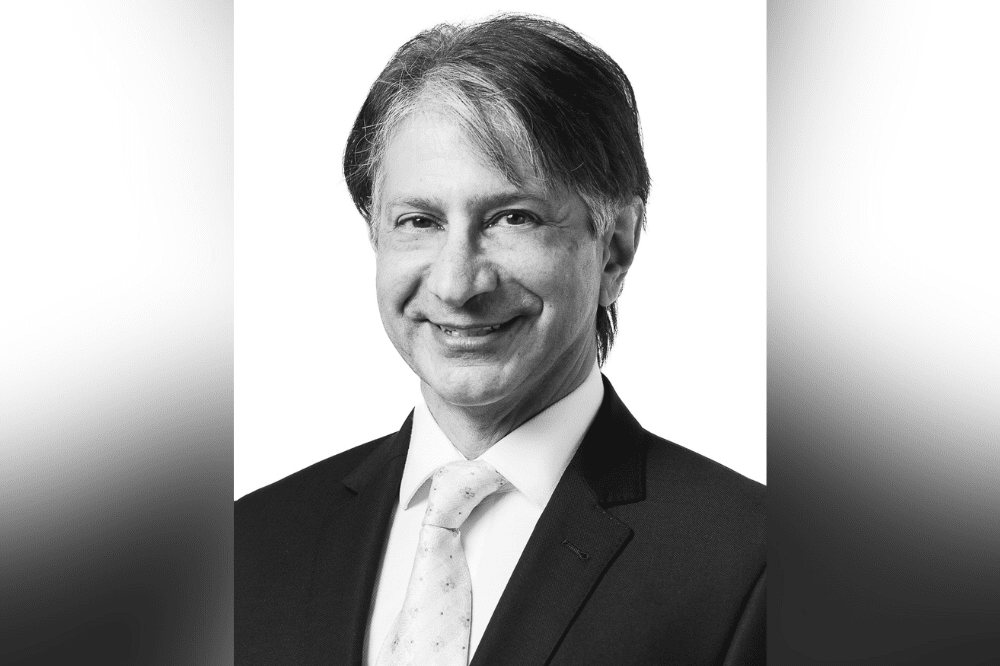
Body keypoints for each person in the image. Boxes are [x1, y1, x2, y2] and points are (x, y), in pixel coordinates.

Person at [236, 14, 764, 666]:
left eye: (513, 217)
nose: (457, 283)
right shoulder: (250, 544)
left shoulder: (753, 564)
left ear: (615, 248)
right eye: (419, 221)